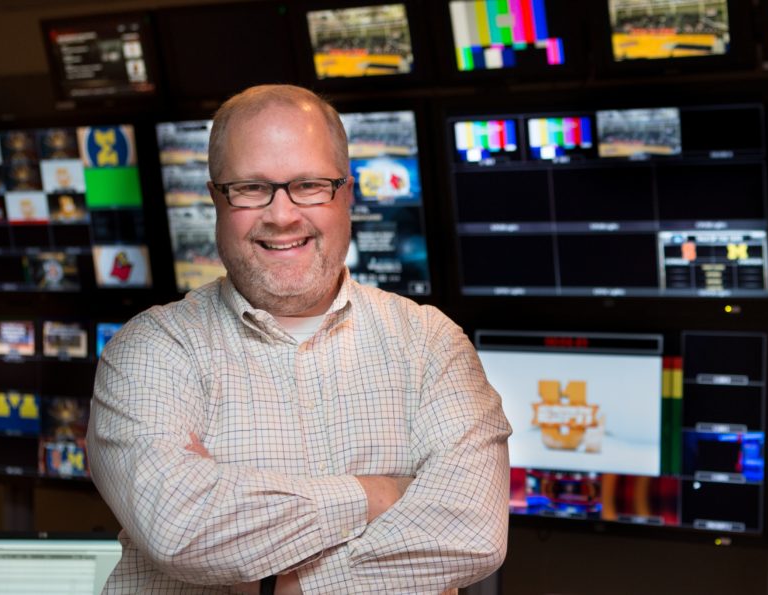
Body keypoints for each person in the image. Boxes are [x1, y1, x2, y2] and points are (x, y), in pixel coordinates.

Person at [87, 84, 511, 594]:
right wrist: (377, 496)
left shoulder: (430, 344)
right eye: (249, 187)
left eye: (310, 185)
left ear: (347, 194)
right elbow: (180, 528)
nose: (282, 214)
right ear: (216, 200)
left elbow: (473, 531)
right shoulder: (149, 350)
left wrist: (281, 586)